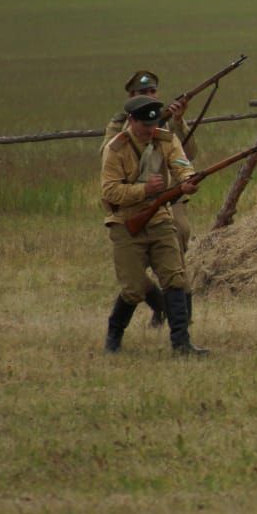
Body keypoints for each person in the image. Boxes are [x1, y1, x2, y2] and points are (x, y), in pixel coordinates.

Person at [100, 95, 207, 355]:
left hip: (159, 218)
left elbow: (182, 166)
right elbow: (110, 192)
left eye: (153, 126)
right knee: (134, 288)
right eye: (144, 127)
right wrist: (143, 190)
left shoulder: (166, 140)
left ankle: (181, 343)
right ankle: (114, 337)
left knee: (175, 279)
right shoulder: (115, 149)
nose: (149, 132)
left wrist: (188, 181)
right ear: (131, 121)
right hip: (125, 222)